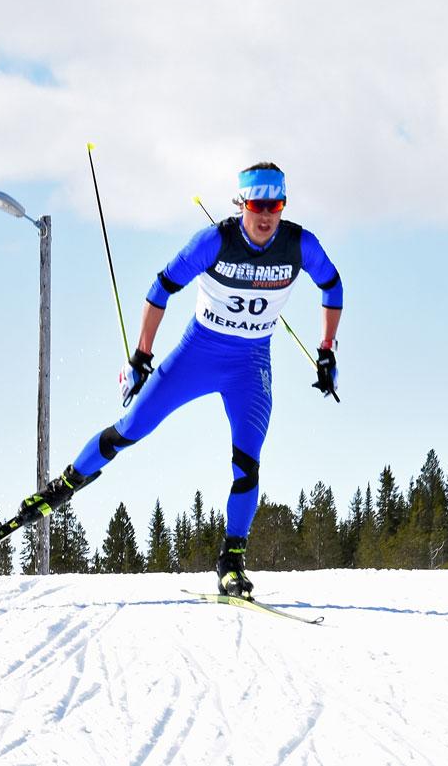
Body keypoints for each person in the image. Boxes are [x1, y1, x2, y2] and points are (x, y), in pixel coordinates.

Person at [19, 162, 342, 598]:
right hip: (197, 354)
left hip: (250, 365)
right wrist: (142, 354)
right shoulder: (215, 241)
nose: (266, 215)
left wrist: (327, 350)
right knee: (129, 431)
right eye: (256, 204)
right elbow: (161, 287)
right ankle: (62, 488)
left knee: (247, 463)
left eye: (275, 205)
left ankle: (232, 560)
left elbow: (332, 285)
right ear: (242, 203)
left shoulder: (299, 244)